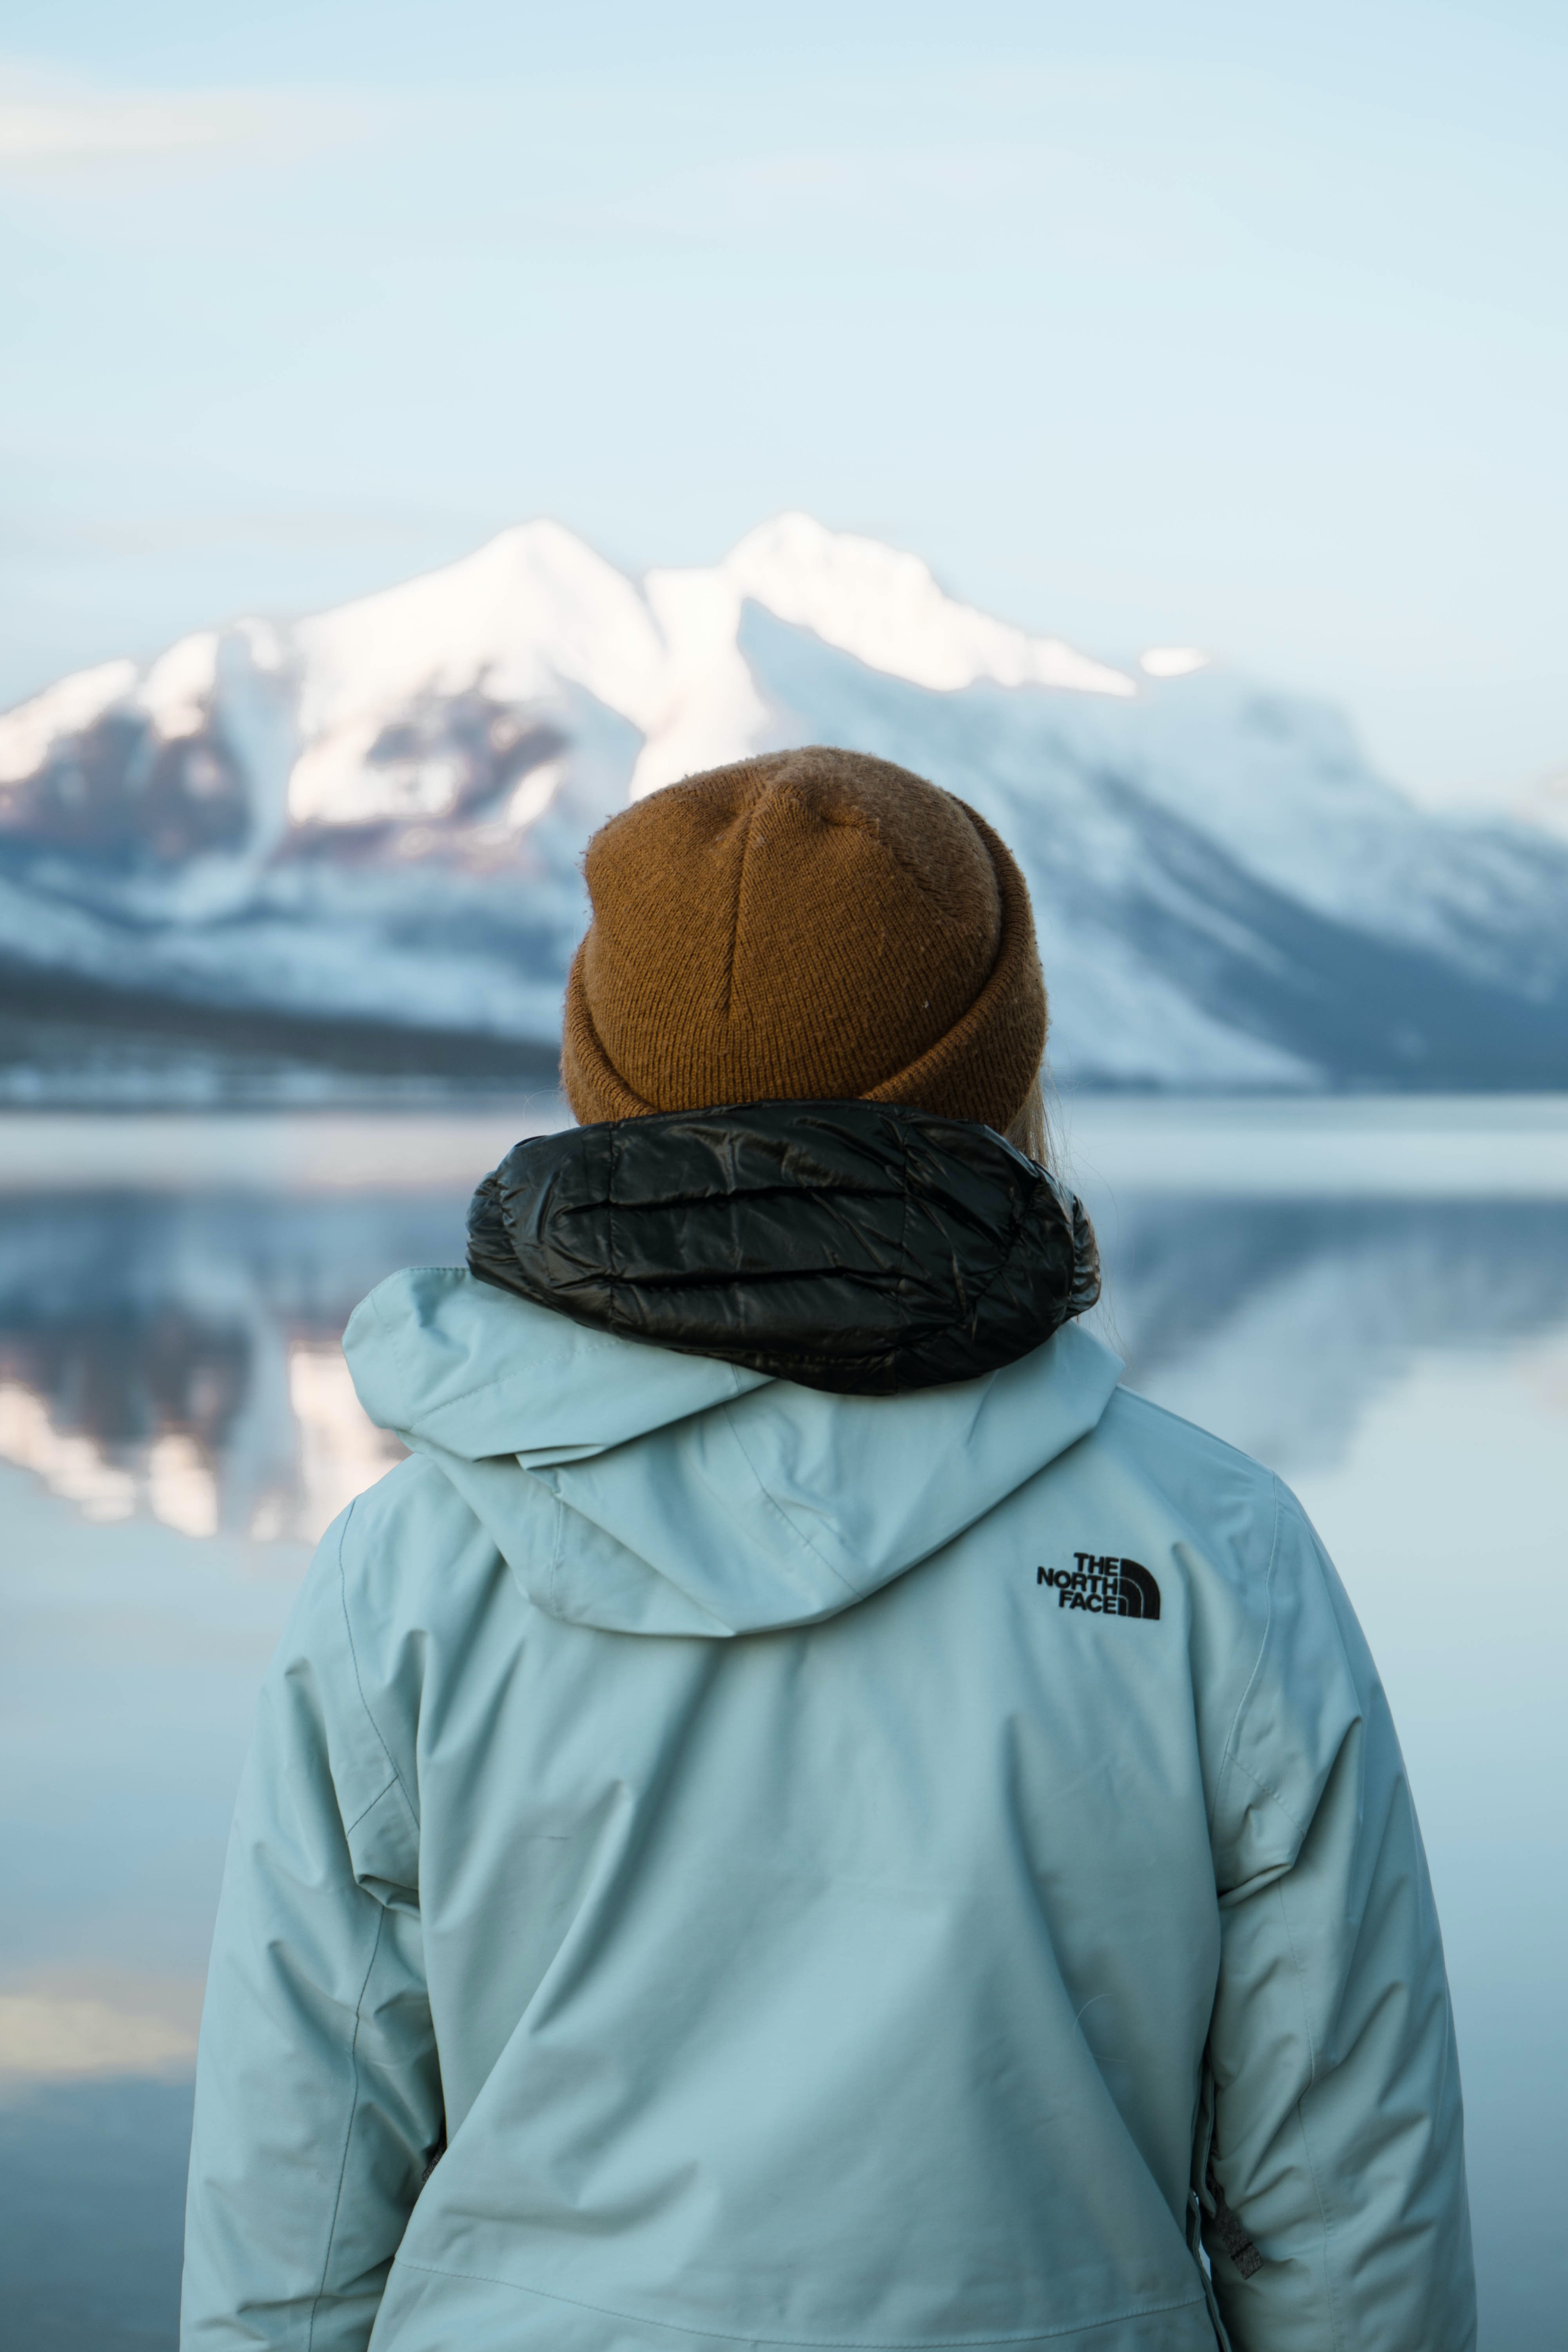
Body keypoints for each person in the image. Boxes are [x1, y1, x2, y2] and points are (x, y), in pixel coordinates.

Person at [181, 747, 1475, 2352]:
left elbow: (295, 2176)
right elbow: (1348, 2200)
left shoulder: (412, 1566)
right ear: (993, 1074)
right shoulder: (1209, 1551)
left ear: (602, 1078)